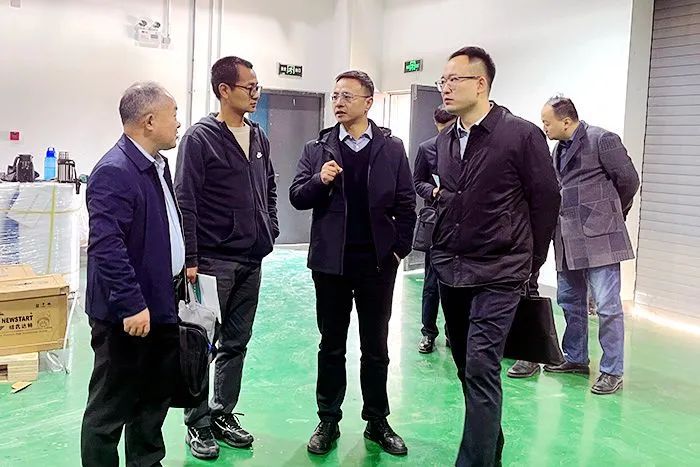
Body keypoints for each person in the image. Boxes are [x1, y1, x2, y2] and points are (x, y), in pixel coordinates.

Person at [432, 46, 561, 467]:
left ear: (481, 84)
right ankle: (491, 451)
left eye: (454, 79)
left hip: (500, 271)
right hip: (452, 270)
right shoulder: (445, 141)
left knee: (481, 366)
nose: (446, 87)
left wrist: (531, 262)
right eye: (443, 80)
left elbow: (546, 200)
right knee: (466, 368)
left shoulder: (520, 135)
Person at [290, 70, 416, 457]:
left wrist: (398, 250)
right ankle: (328, 419)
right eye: (335, 96)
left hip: (377, 264)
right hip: (331, 265)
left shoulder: (391, 148)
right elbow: (297, 196)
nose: (339, 102)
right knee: (331, 346)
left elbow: (406, 203)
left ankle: (377, 420)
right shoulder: (318, 148)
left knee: (376, 347)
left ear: (368, 102)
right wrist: (319, 180)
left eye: (347, 96)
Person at [174, 56, 279, 460]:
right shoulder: (200, 139)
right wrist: (191, 257)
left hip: (252, 259)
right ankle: (197, 422)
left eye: (256, 86)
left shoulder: (258, 136)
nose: (255, 93)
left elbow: (270, 185)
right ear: (224, 90)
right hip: (211, 262)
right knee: (200, 343)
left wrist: (270, 227)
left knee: (236, 342)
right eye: (249, 87)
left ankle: (221, 413)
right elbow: (186, 199)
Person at [81, 82, 184, 467]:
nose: (178, 122)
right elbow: (106, 247)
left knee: (151, 403)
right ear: (149, 121)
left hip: (160, 304)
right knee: (110, 410)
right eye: (174, 114)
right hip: (127, 316)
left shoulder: (156, 165)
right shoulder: (115, 170)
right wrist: (131, 304)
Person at [540, 95, 639, 395]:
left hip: (600, 236)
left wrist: (611, 213)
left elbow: (629, 181)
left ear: (565, 121)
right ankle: (575, 358)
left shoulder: (602, 140)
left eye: (547, 122)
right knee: (569, 300)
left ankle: (612, 370)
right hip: (566, 237)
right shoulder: (558, 148)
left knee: (607, 307)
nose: (544, 127)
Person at [414, 105, 456, 354]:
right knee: (431, 283)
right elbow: (417, 182)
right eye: (441, 129)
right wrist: (433, 191)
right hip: (436, 222)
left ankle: (454, 333)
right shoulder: (427, 148)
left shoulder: (467, 147)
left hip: (462, 223)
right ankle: (428, 332)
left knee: (457, 284)